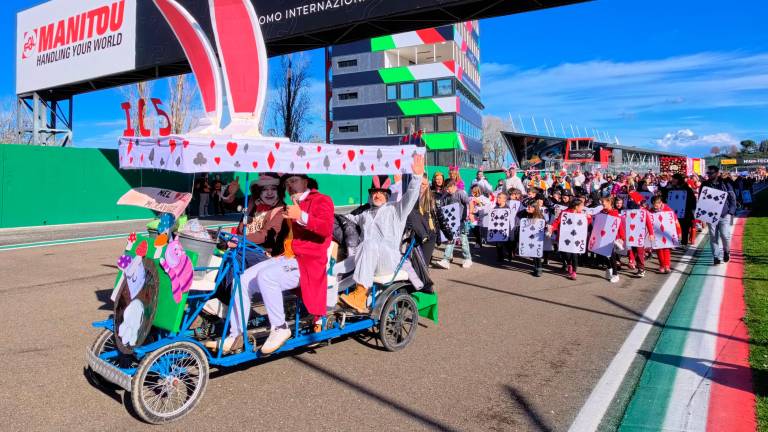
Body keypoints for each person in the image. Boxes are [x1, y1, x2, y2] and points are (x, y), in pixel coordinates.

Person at [221, 173, 334, 355]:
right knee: (242, 279)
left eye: (294, 181)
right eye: (288, 182)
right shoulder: (282, 205)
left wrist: (302, 216)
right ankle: (237, 334)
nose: (290, 186)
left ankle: (280, 327)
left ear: (306, 181)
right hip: (287, 257)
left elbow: (326, 228)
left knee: (267, 277)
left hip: (309, 263)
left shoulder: (321, 200)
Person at [338, 155, 425, 313]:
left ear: (387, 195)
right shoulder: (364, 213)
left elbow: (411, 197)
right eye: (375, 192)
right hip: (366, 259)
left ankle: (360, 295)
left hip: (388, 261)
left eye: (381, 192)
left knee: (369, 243)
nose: (377, 195)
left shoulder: (396, 210)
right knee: (336, 264)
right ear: (371, 194)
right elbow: (344, 220)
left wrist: (417, 177)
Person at [407, 174, 453, 265]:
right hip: (414, 234)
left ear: (428, 185)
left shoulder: (432, 198)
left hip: (429, 235)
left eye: (424, 184)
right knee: (412, 264)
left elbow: (440, 217)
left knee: (423, 264)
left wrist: (449, 235)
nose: (421, 187)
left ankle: (422, 278)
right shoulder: (409, 198)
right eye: (419, 184)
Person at [701, 165, 737, 265]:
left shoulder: (725, 183)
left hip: (724, 214)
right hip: (710, 215)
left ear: (717, 173)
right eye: (708, 173)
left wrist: (731, 211)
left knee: (725, 235)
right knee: (713, 236)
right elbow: (701, 199)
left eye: (711, 173)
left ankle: (726, 251)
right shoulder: (704, 184)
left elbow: (732, 198)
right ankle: (716, 257)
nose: (709, 175)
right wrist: (702, 214)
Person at [549, 198, 590, 280]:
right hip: (565, 237)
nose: (583, 207)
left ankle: (574, 272)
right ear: (576, 206)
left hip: (576, 238)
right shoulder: (565, 212)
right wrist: (552, 227)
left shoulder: (581, 214)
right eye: (582, 206)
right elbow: (557, 221)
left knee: (574, 254)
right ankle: (569, 264)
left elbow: (585, 224)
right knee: (566, 253)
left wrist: (588, 218)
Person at [436, 179, 473, 269]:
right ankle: (446, 259)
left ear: (453, 186)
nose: (447, 191)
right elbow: (441, 207)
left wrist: (471, 213)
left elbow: (470, 202)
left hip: (461, 222)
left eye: (448, 189)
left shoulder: (460, 193)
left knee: (463, 241)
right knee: (450, 239)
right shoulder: (445, 196)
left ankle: (467, 259)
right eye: (446, 189)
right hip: (451, 222)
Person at [596, 196, 626, 283]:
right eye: (602, 203)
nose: (603, 205)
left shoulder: (614, 213)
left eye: (604, 203)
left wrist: (622, 238)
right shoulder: (601, 212)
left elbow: (619, 226)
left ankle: (616, 275)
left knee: (612, 256)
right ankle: (609, 269)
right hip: (602, 237)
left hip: (612, 238)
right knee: (604, 255)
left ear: (610, 203)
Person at [649, 196, 681, 273]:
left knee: (666, 249)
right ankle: (662, 265)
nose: (655, 206)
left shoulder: (668, 210)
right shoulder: (651, 211)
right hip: (656, 233)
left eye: (657, 204)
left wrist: (679, 231)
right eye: (654, 205)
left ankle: (667, 266)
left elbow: (675, 221)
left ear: (661, 203)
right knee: (659, 250)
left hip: (666, 233)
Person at [518, 202, 547, 276]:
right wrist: (525, 211)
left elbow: (544, 225)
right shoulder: (526, 214)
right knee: (532, 253)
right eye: (528, 207)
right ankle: (535, 267)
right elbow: (518, 215)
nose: (528, 208)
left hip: (537, 238)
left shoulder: (540, 216)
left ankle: (539, 268)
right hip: (528, 237)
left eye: (530, 207)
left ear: (535, 208)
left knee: (537, 253)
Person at [669, 173, 697, 247]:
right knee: (674, 227)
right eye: (673, 179)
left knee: (684, 228)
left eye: (675, 179)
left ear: (679, 180)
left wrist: (692, 209)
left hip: (685, 212)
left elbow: (693, 200)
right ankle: (674, 242)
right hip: (673, 211)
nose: (673, 180)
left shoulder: (687, 189)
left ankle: (684, 243)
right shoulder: (671, 188)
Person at [489, 192, 514, 262]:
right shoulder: (495, 208)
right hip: (497, 228)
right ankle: (500, 256)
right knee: (498, 243)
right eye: (497, 197)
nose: (498, 199)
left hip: (506, 229)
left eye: (500, 198)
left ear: (504, 200)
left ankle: (510, 254)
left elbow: (510, 220)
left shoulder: (507, 209)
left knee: (507, 244)